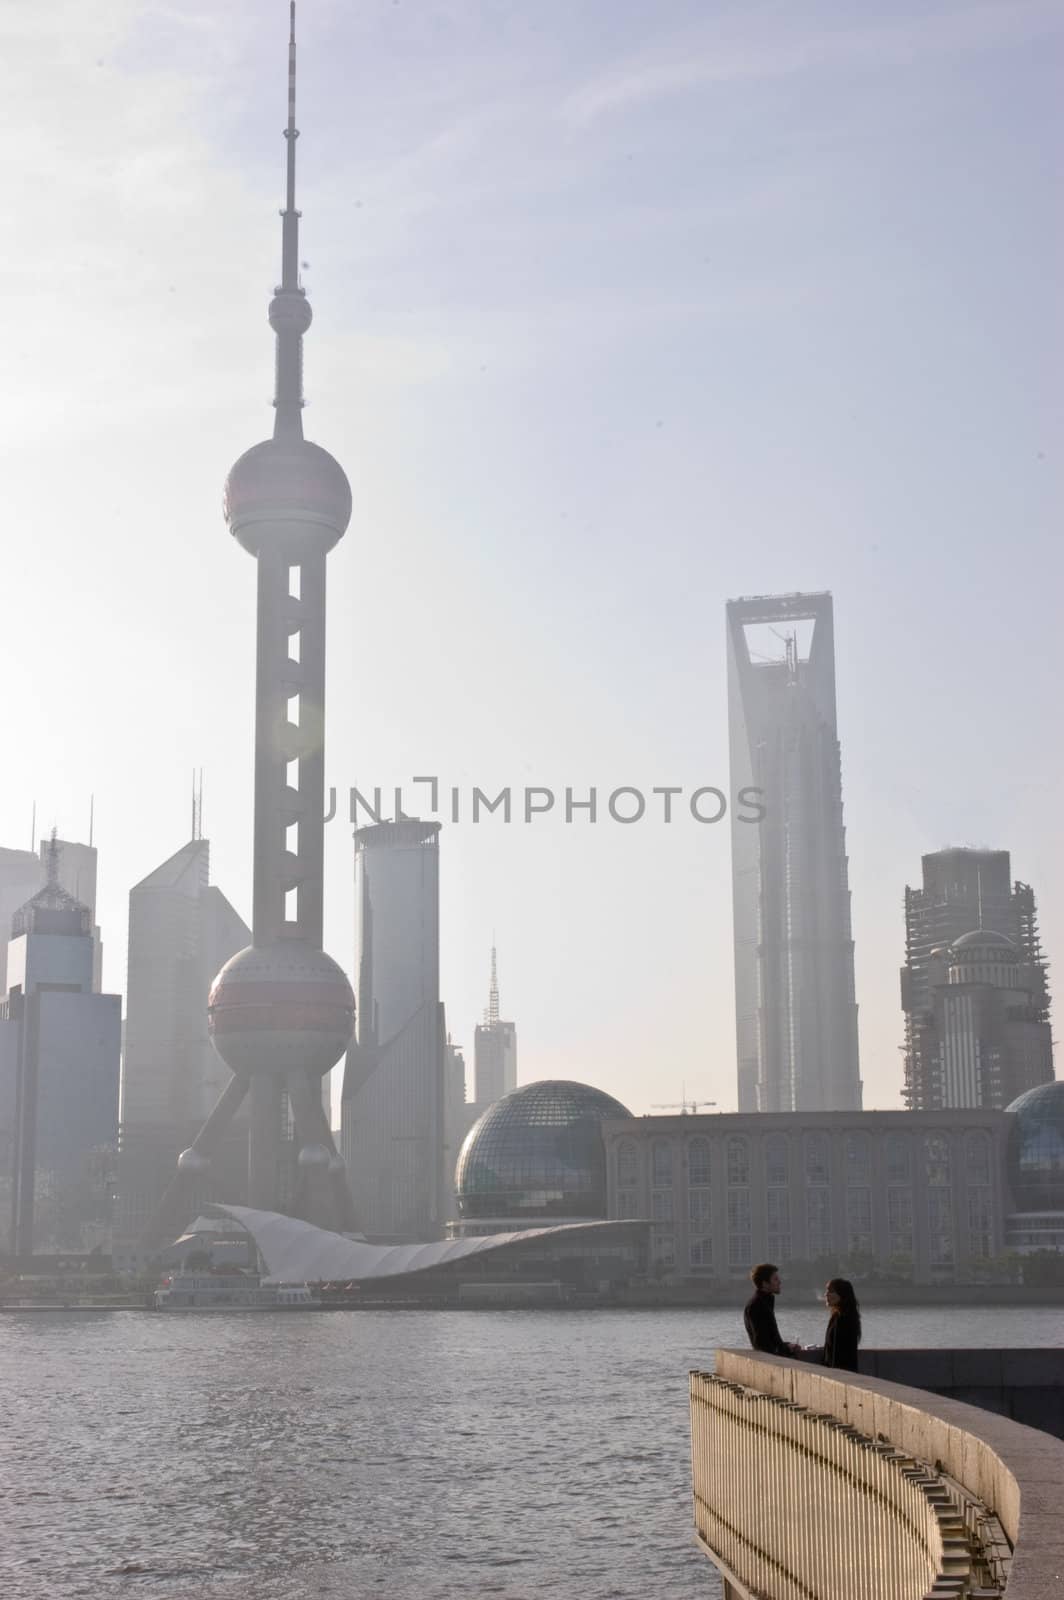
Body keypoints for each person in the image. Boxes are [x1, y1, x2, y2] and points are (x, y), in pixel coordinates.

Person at [743, 1262, 800, 1356]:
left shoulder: (765, 1301)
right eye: (775, 1279)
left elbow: (770, 1338)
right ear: (765, 1283)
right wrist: (785, 1349)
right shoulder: (757, 1305)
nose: (779, 1282)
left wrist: (787, 1346)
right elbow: (762, 1343)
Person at [821, 1278, 862, 1371]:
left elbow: (837, 1353)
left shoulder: (842, 1319)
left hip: (840, 1374)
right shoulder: (843, 1316)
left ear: (842, 1295)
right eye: (826, 1290)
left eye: (830, 1291)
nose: (826, 1294)